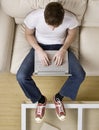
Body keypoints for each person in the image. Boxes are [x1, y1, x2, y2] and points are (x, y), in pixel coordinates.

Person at [16, 2, 85, 123]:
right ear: (44, 16)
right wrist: (38, 50)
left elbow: (72, 33)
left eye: (56, 26)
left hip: (60, 47)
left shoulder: (70, 18)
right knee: (21, 76)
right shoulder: (34, 17)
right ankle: (41, 100)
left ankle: (58, 98)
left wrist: (63, 49)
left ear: (63, 17)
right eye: (50, 25)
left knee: (80, 74)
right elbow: (28, 34)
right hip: (39, 47)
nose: (53, 29)